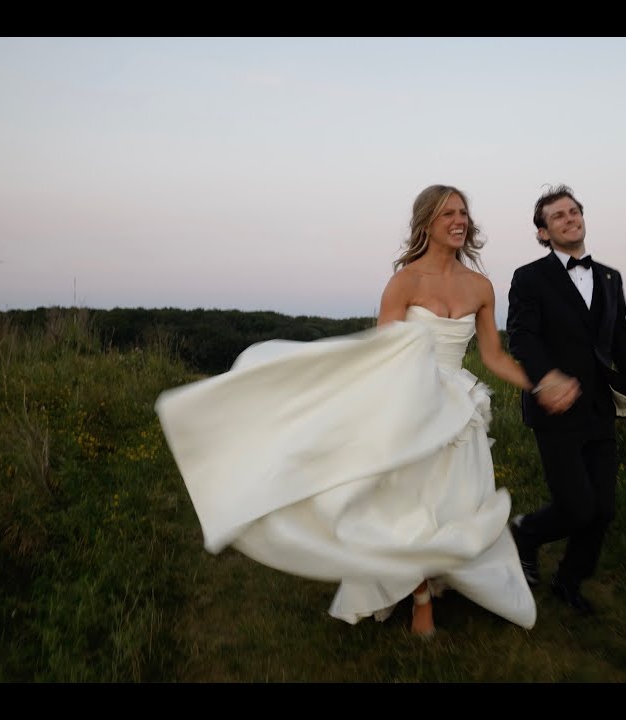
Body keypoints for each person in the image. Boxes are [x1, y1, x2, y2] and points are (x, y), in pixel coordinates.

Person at [156, 184, 568, 638]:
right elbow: (380, 353)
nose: (459, 220)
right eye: (448, 212)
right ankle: (420, 597)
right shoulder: (404, 282)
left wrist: (540, 383)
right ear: (427, 222)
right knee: (406, 505)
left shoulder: (481, 286)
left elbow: (492, 355)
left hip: (460, 409)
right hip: (411, 401)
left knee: (456, 503)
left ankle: (437, 572)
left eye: (463, 212)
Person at [506, 184, 626, 617]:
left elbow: (621, 342)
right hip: (554, 411)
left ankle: (569, 581)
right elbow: (522, 336)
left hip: (599, 410)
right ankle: (525, 534)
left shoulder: (610, 277)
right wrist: (547, 378)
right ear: (542, 232)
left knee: (603, 510)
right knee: (576, 506)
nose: (570, 218)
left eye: (574, 211)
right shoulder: (529, 277)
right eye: (558, 215)